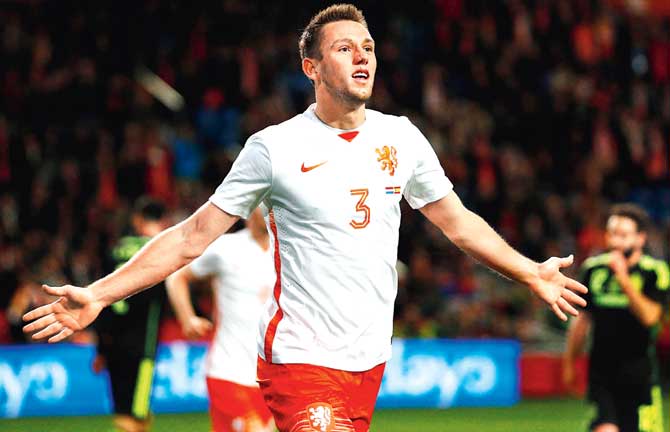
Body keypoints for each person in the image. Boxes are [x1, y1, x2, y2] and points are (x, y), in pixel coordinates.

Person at [23, 5, 587, 431]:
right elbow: (194, 236)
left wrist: (529, 271)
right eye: (345, 48)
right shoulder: (274, 148)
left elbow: (458, 223)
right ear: (311, 66)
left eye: (368, 46)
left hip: (368, 362)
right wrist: (99, 293)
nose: (363, 55)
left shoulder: (402, 138)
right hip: (299, 360)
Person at [165, 208, 275, 432]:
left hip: (271, 379)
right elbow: (177, 277)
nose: (267, 211)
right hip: (228, 370)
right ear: (248, 209)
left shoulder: (288, 251)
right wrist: (187, 319)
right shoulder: (226, 248)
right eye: (261, 205)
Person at [563, 204, 669, 432]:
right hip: (602, 372)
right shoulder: (593, 269)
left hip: (640, 375)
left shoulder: (655, 271)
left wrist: (624, 280)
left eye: (623, 235)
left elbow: (651, 317)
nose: (616, 242)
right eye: (612, 234)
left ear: (640, 239)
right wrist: (570, 362)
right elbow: (581, 320)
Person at [94, 197, 168, 432]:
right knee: (138, 415)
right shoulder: (162, 249)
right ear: (163, 221)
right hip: (143, 346)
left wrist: (101, 348)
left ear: (137, 219)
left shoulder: (115, 249)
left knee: (124, 411)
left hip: (113, 343)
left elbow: (100, 295)